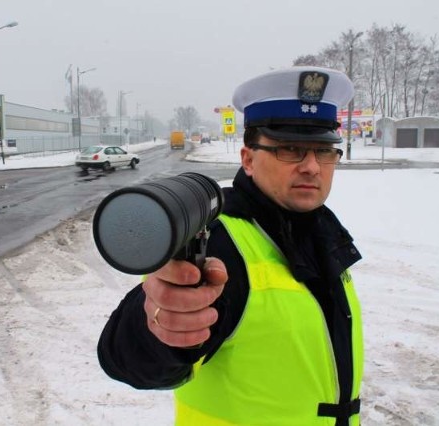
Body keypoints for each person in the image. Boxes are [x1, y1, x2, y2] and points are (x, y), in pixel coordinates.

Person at [97, 66, 364, 426]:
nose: (312, 167)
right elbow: (132, 353)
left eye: (325, 151)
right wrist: (158, 329)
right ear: (248, 160)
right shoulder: (221, 241)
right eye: (290, 149)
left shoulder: (319, 231)